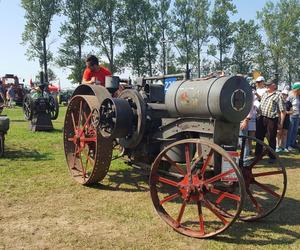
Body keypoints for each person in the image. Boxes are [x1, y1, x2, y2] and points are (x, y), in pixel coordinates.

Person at [255, 78, 286, 163]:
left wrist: (281, 123)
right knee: (259, 136)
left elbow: (283, 111)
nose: (267, 86)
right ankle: (257, 155)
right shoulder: (265, 93)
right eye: (266, 85)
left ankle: (272, 157)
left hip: (272, 119)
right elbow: (261, 101)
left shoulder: (278, 95)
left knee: (271, 138)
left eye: (269, 85)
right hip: (261, 117)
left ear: (274, 85)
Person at [286, 82, 300, 151]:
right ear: (296, 89)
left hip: (297, 116)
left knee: (295, 131)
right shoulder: (290, 95)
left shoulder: (299, 96)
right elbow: (287, 105)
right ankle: (288, 145)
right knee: (290, 131)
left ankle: (292, 144)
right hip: (291, 115)